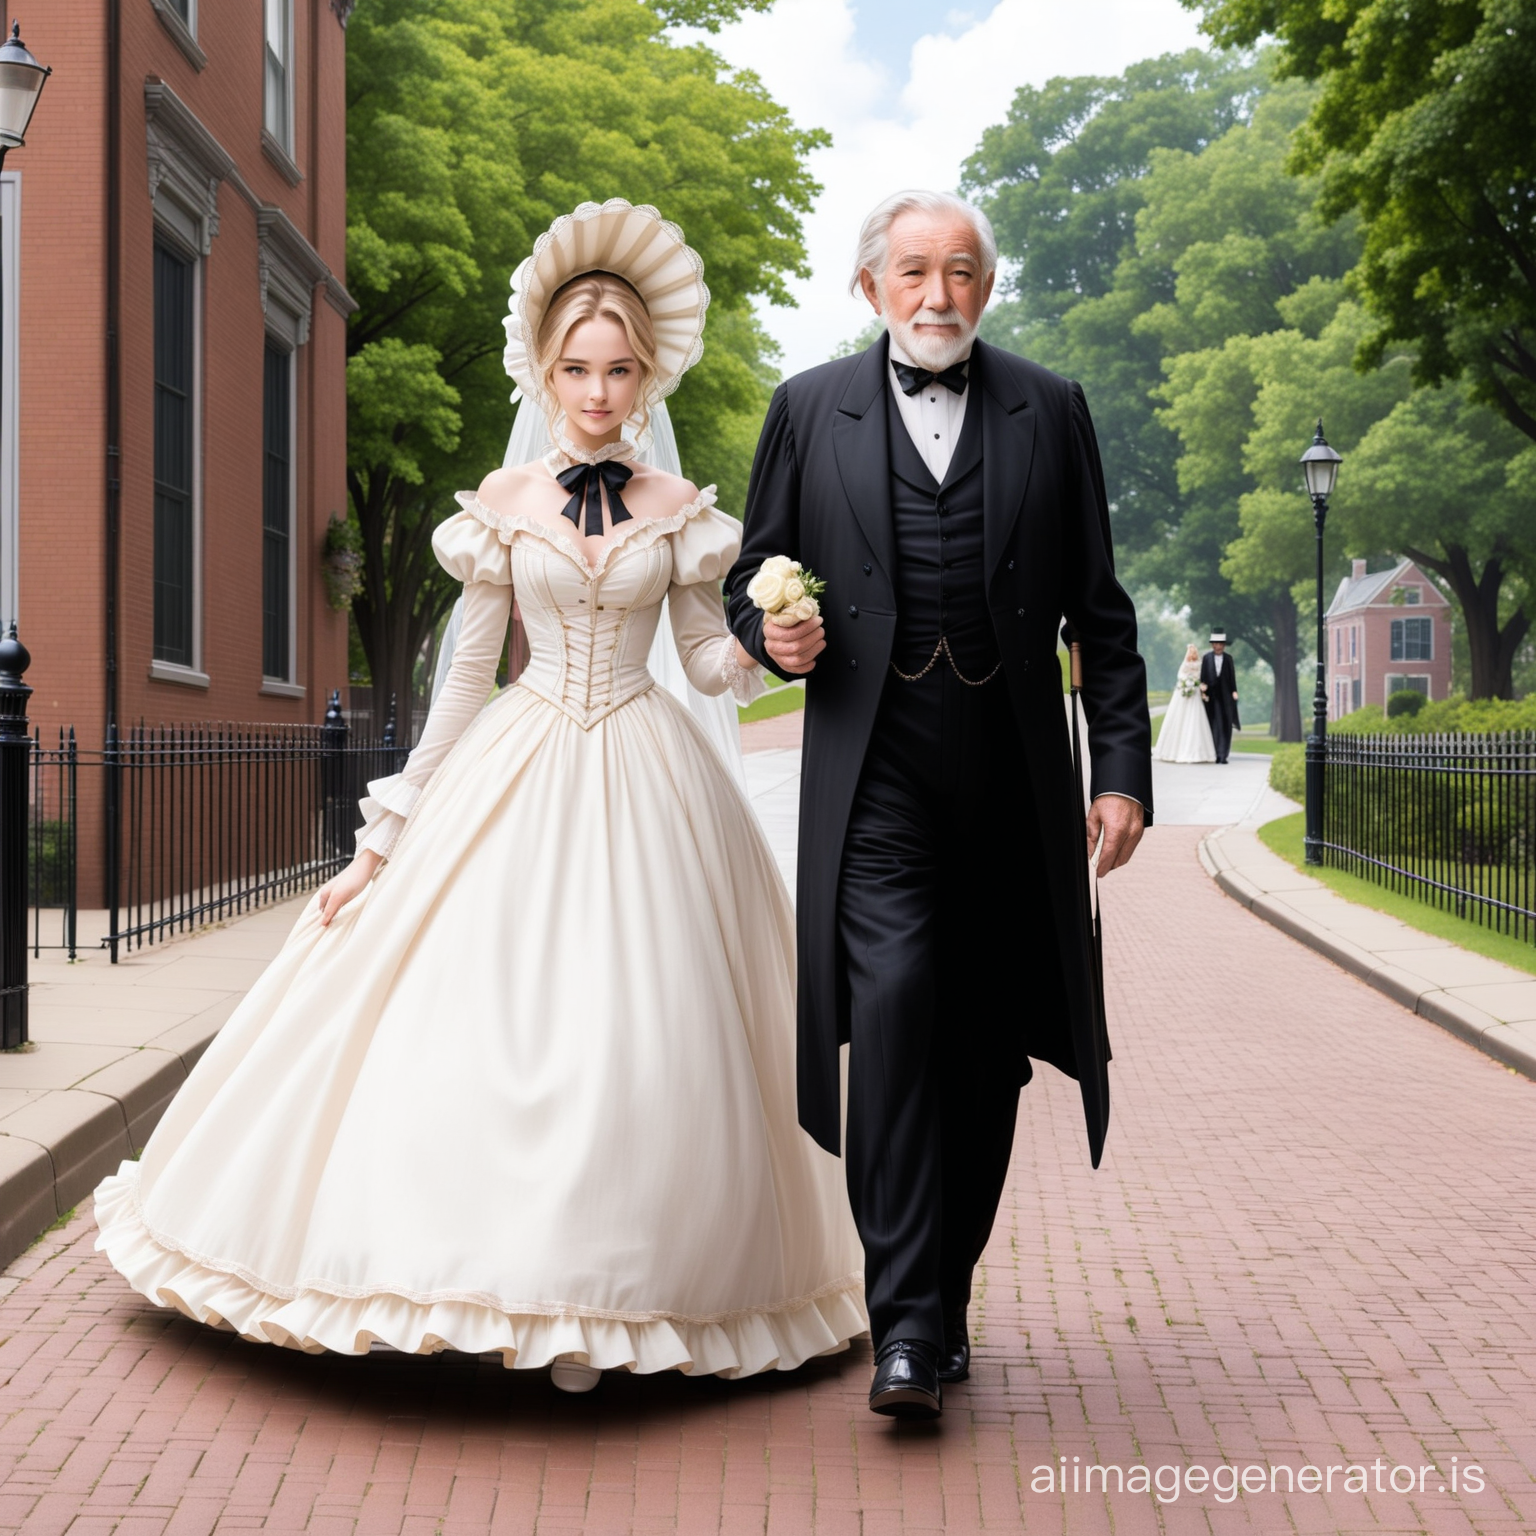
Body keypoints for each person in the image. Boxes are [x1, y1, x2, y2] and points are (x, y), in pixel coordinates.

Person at [93, 199, 866, 1393]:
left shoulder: (684, 517)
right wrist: (382, 843)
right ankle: (478, 1284)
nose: (598, 391)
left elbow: (708, 659)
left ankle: (615, 1301)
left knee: (650, 1037)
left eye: (617, 370)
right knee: (480, 1025)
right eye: (576, 369)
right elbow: (463, 679)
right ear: (546, 373)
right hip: (522, 757)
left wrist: (778, 643)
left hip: (652, 776)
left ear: (646, 374)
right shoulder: (501, 509)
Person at [725, 189, 1152, 1420]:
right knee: (901, 1017)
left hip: (1015, 782)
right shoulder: (809, 407)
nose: (938, 294)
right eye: (914, 271)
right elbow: (751, 572)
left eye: (961, 272)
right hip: (877, 784)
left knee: (985, 1055)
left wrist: (1119, 768)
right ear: (872, 287)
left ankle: (943, 1298)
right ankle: (903, 1324)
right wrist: (774, 630)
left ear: (986, 287)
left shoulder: (1051, 409)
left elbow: (1102, 618)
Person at [1154, 643, 1217, 763]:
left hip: (1195, 695)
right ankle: (1173, 750)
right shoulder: (1185, 664)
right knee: (1179, 718)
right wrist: (1187, 682)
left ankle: (1197, 751)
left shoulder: (1199, 664)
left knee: (1195, 719)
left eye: (1194, 652)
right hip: (1184, 694)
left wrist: (1196, 683)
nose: (1192, 654)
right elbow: (1180, 675)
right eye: (1191, 652)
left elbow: (1201, 676)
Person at [1200, 630, 1241, 763]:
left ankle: (1223, 754)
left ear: (1224, 645)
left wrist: (1234, 691)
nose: (1218, 646)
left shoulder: (1228, 659)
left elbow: (1231, 677)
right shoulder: (1206, 658)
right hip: (1211, 697)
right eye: (1216, 644)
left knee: (1225, 724)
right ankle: (1214, 753)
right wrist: (1202, 688)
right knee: (1213, 724)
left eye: (1221, 644)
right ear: (1213, 645)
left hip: (1226, 696)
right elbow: (1203, 676)